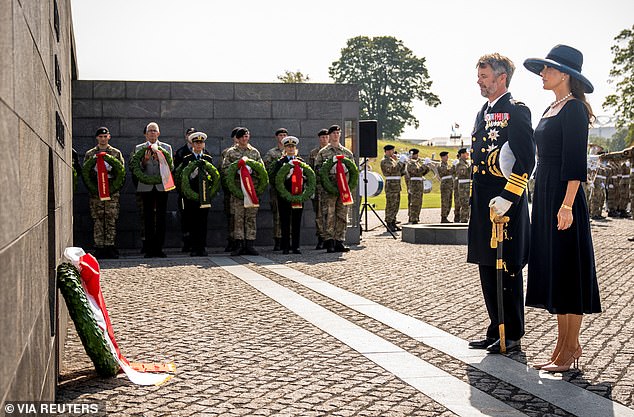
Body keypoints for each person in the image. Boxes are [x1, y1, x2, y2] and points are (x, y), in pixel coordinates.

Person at [523, 45, 601, 371]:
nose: (542, 73)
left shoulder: (573, 110)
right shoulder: (550, 107)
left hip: (563, 197)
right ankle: (561, 347)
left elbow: (574, 164)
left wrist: (567, 205)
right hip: (544, 195)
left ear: (564, 74)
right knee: (555, 269)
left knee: (568, 270)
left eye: (548, 69)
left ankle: (570, 347)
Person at [467, 53, 535, 354]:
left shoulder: (516, 111)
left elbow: (525, 160)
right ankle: (495, 328)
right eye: (479, 76)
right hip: (483, 200)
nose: (479, 81)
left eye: (484, 76)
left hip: (506, 203)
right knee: (486, 263)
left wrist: (509, 197)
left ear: (501, 77)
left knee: (506, 266)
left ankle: (512, 333)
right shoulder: (483, 111)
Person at [131, 122, 174, 258]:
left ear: (159, 133)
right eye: (150, 131)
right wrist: (145, 161)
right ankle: (149, 248)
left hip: (162, 186)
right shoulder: (139, 148)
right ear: (145, 133)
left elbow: (171, 167)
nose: (152, 133)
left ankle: (159, 248)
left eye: (154, 131)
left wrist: (161, 161)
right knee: (148, 217)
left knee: (161, 217)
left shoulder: (167, 147)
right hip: (146, 185)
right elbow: (135, 168)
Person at [84, 127, 125, 259]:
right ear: (97, 138)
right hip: (96, 192)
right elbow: (86, 174)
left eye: (105, 136)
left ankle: (110, 245)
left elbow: (121, 172)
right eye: (100, 137)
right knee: (98, 219)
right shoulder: (90, 154)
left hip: (111, 191)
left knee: (111, 218)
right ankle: (99, 246)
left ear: (109, 137)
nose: (103, 139)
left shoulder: (116, 153)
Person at [222, 127, 264, 256]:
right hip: (238, 190)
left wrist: (252, 170)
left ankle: (250, 244)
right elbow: (224, 169)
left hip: (251, 190)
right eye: (243, 137)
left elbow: (261, 168)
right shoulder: (231, 153)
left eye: (247, 136)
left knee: (250, 217)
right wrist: (236, 170)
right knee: (238, 217)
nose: (245, 139)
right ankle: (239, 244)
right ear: (238, 139)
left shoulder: (254, 152)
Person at [314, 125, 355, 253]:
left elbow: (353, 170)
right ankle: (329, 241)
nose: (336, 135)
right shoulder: (323, 152)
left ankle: (339, 240)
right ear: (330, 135)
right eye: (334, 133)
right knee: (329, 215)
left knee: (342, 215)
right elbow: (317, 169)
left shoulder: (347, 153)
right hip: (329, 189)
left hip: (343, 189)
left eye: (338, 133)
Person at [178, 132, 213, 257]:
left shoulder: (208, 158)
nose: (199, 145)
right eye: (196, 143)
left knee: (203, 222)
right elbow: (183, 177)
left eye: (201, 143)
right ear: (192, 144)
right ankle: (194, 247)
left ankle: (202, 247)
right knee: (192, 221)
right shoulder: (187, 158)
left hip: (204, 194)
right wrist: (193, 175)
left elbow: (213, 176)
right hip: (191, 195)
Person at [272, 136, 306, 254]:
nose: (291, 149)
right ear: (285, 148)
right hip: (284, 196)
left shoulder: (301, 162)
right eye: (288, 146)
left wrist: (303, 177)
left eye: (292, 146)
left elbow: (308, 177)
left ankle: (296, 246)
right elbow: (275, 178)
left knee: (297, 221)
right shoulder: (280, 162)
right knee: (285, 221)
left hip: (298, 195)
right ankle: (285, 246)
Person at [263, 128, 288, 251]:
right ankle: (278, 239)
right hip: (277, 188)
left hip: (290, 189)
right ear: (276, 137)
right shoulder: (271, 153)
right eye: (280, 135)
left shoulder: (292, 152)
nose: (282, 137)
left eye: (284, 135)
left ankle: (288, 239)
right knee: (277, 214)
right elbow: (267, 169)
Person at [174, 127, 198, 252]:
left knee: (198, 217)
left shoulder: (204, 151)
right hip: (184, 190)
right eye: (189, 134)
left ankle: (197, 242)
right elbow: (176, 171)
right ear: (186, 136)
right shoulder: (180, 152)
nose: (191, 136)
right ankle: (187, 242)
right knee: (185, 217)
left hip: (199, 191)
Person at [308, 129, 329, 249]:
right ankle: (321, 237)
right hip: (318, 188)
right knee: (319, 214)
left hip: (329, 188)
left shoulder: (332, 152)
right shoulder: (313, 153)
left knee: (330, 214)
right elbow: (310, 170)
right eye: (322, 137)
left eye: (326, 137)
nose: (324, 139)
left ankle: (330, 238)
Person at [222, 127, 240, 252]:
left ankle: (243, 241)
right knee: (231, 216)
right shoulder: (227, 152)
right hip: (231, 189)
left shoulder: (252, 151)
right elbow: (223, 170)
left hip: (246, 190)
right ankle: (231, 240)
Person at [380, 144, 406, 231]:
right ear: (387, 151)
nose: (393, 152)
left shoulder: (392, 160)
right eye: (392, 151)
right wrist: (400, 162)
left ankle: (393, 222)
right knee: (390, 204)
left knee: (396, 204)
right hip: (391, 185)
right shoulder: (384, 161)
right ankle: (389, 223)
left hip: (396, 185)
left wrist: (404, 164)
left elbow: (401, 172)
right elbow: (392, 170)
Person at [406, 149, 430, 224]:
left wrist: (427, 166)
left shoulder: (417, 163)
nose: (417, 156)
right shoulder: (410, 163)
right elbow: (417, 172)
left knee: (419, 202)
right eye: (416, 155)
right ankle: (413, 218)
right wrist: (424, 165)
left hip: (419, 184)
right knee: (414, 202)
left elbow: (422, 173)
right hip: (414, 184)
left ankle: (416, 216)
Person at [453, 148, 471, 223]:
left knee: (468, 202)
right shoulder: (459, 164)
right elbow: (463, 173)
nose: (468, 155)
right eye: (466, 153)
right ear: (462, 154)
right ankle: (463, 219)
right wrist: (471, 167)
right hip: (463, 186)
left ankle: (466, 217)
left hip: (467, 185)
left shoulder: (466, 163)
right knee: (464, 203)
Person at [437, 151, 454, 223]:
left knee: (449, 201)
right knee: (445, 201)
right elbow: (446, 172)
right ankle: (443, 217)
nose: (447, 157)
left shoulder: (447, 165)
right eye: (446, 156)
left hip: (449, 185)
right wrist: (454, 167)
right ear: (442, 157)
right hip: (445, 185)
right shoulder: (440, 165)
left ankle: (446, 215)